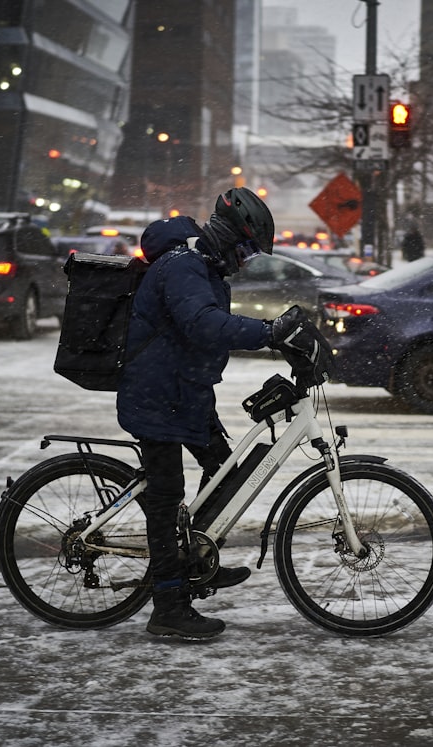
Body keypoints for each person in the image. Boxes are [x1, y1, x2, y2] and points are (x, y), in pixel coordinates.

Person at [116, 187, 298, 640]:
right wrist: (269, 332)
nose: (247, 259)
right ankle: (169, 605)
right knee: (166, 498)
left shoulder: (204, 266)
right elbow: (202, 324)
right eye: (247, 248)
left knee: (224, 469)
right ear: (227, 235)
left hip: (185, 392)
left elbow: (199, 331)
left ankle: (194, 560)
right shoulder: (185, 266)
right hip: (157, 395)